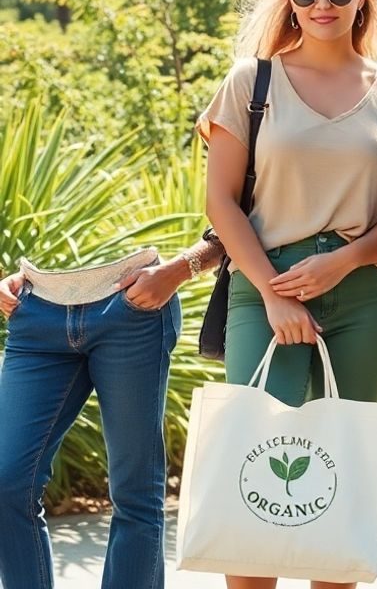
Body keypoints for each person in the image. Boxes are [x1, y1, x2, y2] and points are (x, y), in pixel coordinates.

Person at [199, 0, 377, 589]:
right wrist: (272, 292)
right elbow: (221, 205)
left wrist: (341, 264)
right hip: (266, 290)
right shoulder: (251, 82)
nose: (323, 2)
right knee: (257, 473)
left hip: (365, 297)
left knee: (338, 484)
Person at [0, 238, 220, 589]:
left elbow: (240, 210)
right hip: (36, 311)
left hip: (132, 307)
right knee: (7, 483)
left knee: (135, 490)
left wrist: (179, 270)